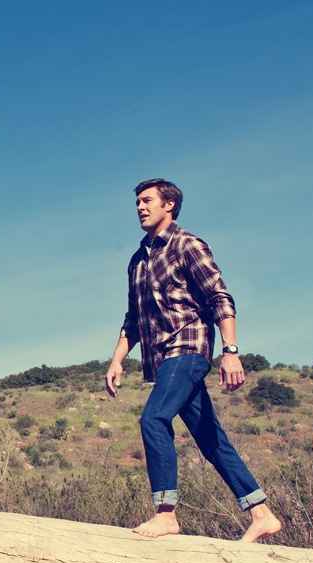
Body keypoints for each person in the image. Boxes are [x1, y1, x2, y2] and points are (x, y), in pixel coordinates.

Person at [104, 179, 280, 543]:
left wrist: (230, 352)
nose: (139, 207)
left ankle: (165, 513)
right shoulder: (137, 262)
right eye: (137, 202)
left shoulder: (188, 245)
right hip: (162, 359)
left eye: (147, 200)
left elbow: (219, 297)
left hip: (188, 348)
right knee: (211, 440)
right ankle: (262, 514)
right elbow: (133, 320)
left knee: (153, 418)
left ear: (169, 205)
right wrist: (117, 360)